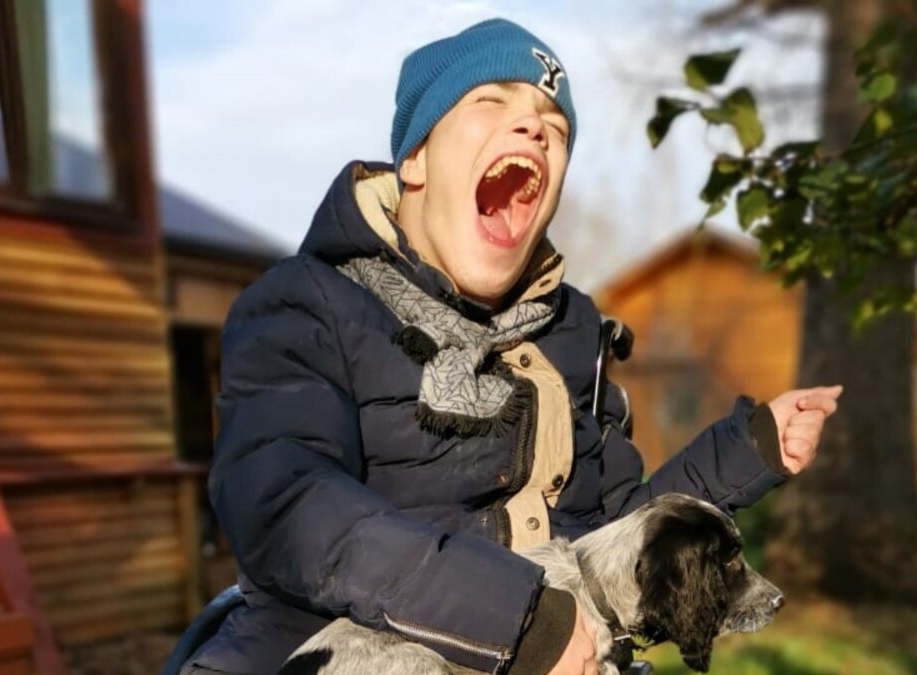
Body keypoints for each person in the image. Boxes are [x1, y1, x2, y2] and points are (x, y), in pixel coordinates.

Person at [183, 18, 842, 675]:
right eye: (491, 102)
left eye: (555, 129)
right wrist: (516, 617)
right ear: (413, 159)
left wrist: (742, 453)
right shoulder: (308, 304)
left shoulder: (573, 333)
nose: (534, 128)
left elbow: (614, 540)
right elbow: (291, 508)